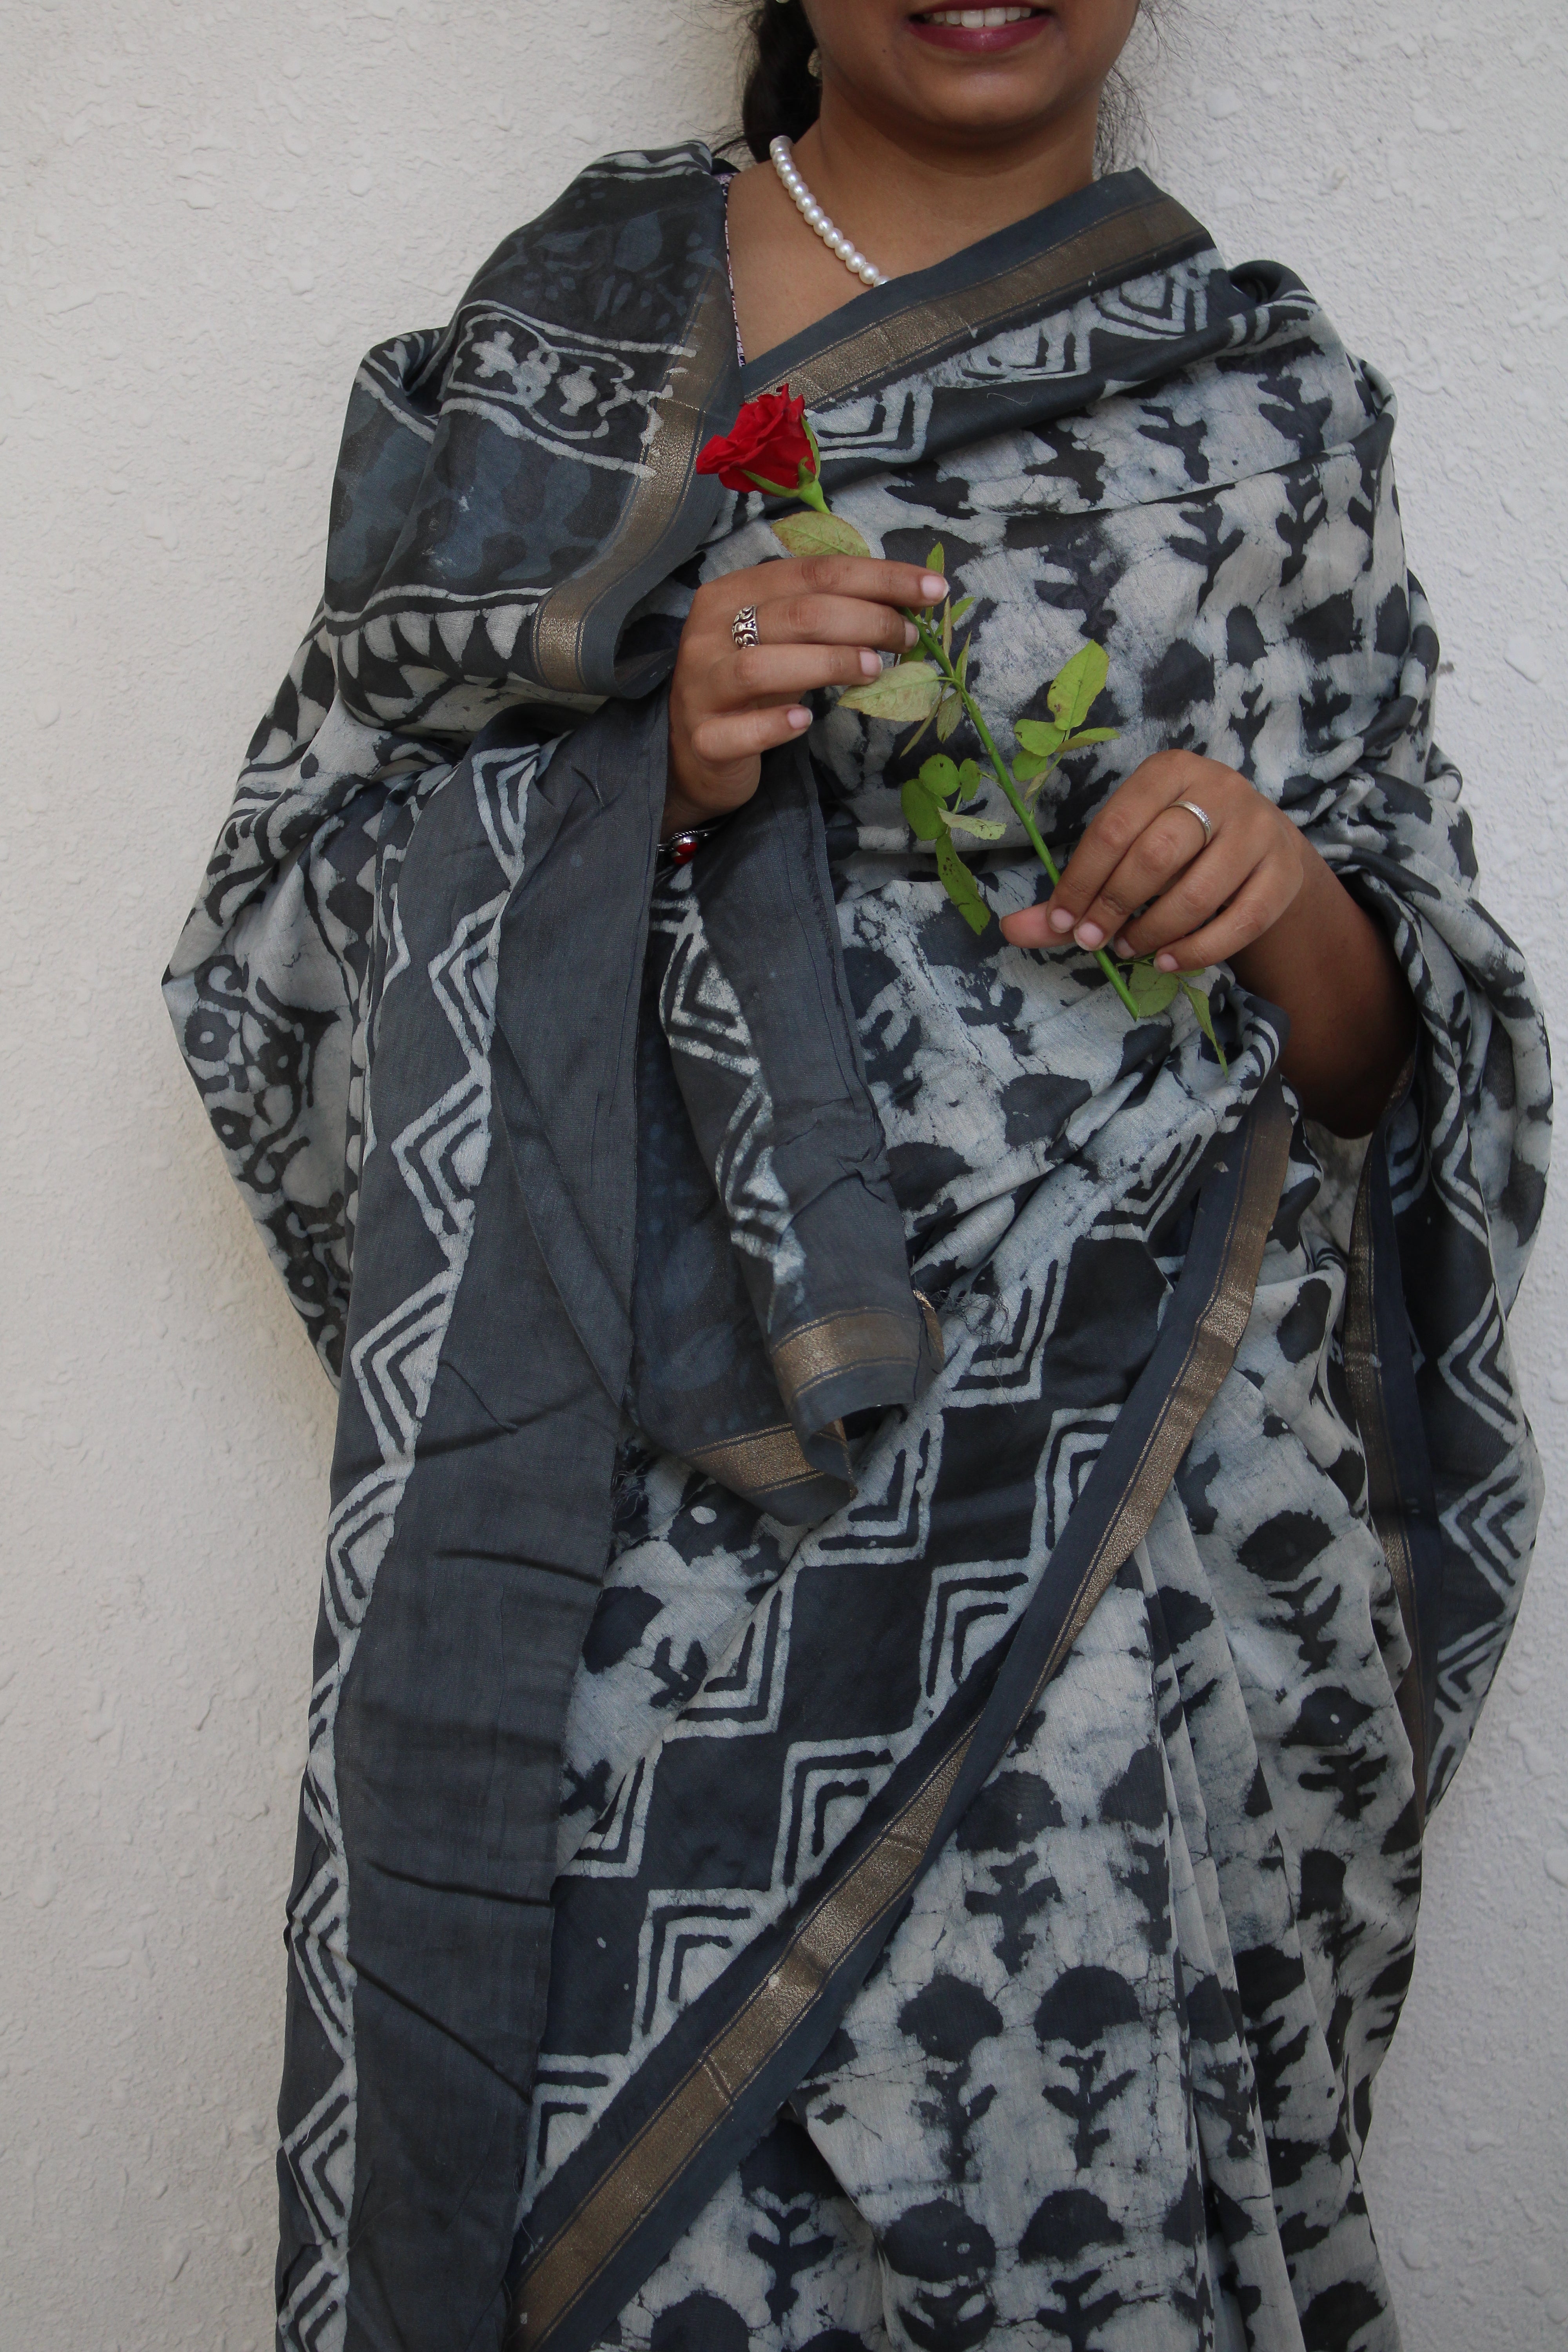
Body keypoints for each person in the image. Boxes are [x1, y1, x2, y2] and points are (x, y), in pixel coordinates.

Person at [165, 3, 1549, 2347]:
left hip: (1139, 1537)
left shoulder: (1278, 409)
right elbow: (272, 955)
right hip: (656, 1551)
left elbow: (1397, 1077)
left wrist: (1294, 903)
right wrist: (652, 772)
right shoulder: (565, 376)